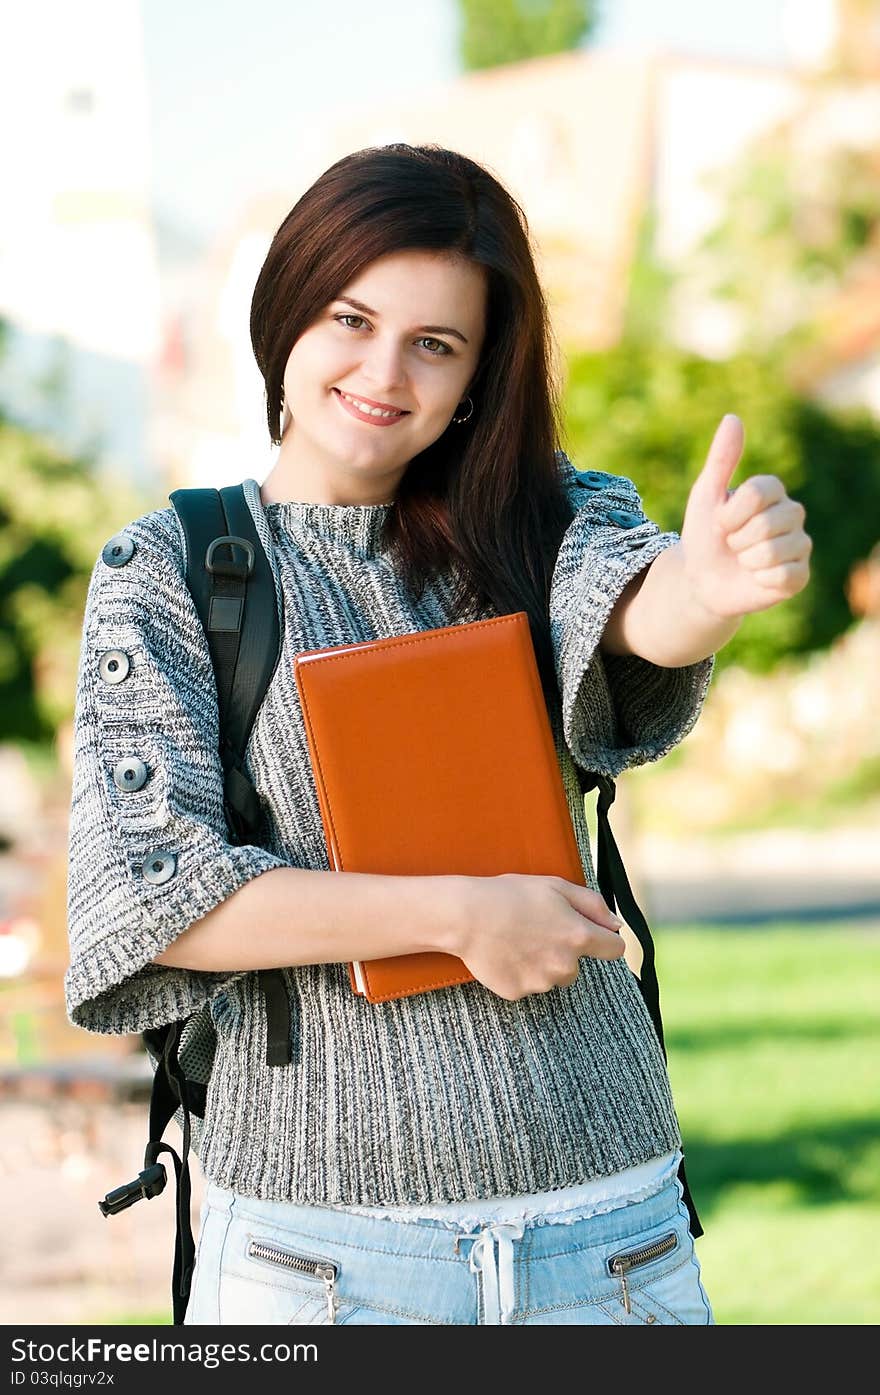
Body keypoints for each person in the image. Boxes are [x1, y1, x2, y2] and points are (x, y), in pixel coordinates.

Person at [64, 143, 811, 1327]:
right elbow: (152, 898)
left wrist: (705, 590)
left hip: (608, 1236)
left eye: (435, 344)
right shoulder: (169, 572)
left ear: (475, 379)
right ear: (288, 312)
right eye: (350, 318)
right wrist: (461, 913)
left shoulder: (546, 514)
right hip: (320, 1259)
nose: (381, 371)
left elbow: (630, 608)